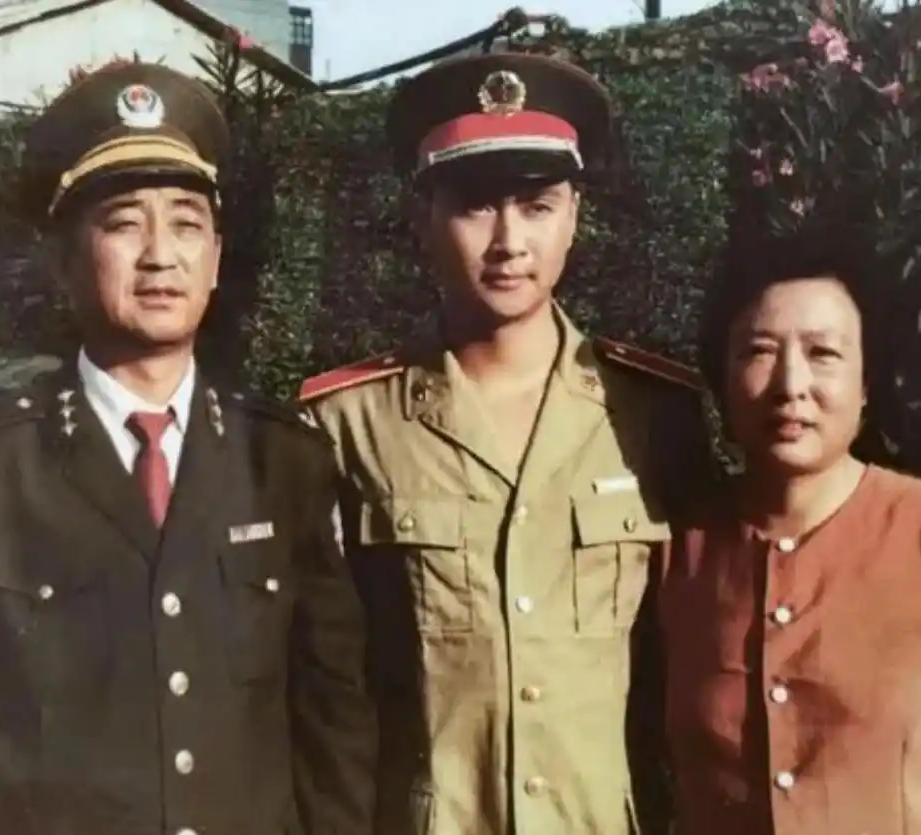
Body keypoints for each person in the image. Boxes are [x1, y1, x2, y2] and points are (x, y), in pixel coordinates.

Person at [0, 62, 376, 835]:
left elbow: (333, 725)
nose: (160, 255)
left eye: (186, 224)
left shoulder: (285, 463)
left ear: (215, 258)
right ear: (63, 258)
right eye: (124, 223)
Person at [299, 53, 711, 835]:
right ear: (422, 217)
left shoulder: (652, 413)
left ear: (574, 215)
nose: (508, 241)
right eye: (475, 206)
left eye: (536, 205)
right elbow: (321, 676)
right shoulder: (348, 422)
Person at [656, 228, 921, 834]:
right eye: (759, 351)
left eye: (823, 353)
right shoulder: (678, 553)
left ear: (866, 383)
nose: (790, 386)